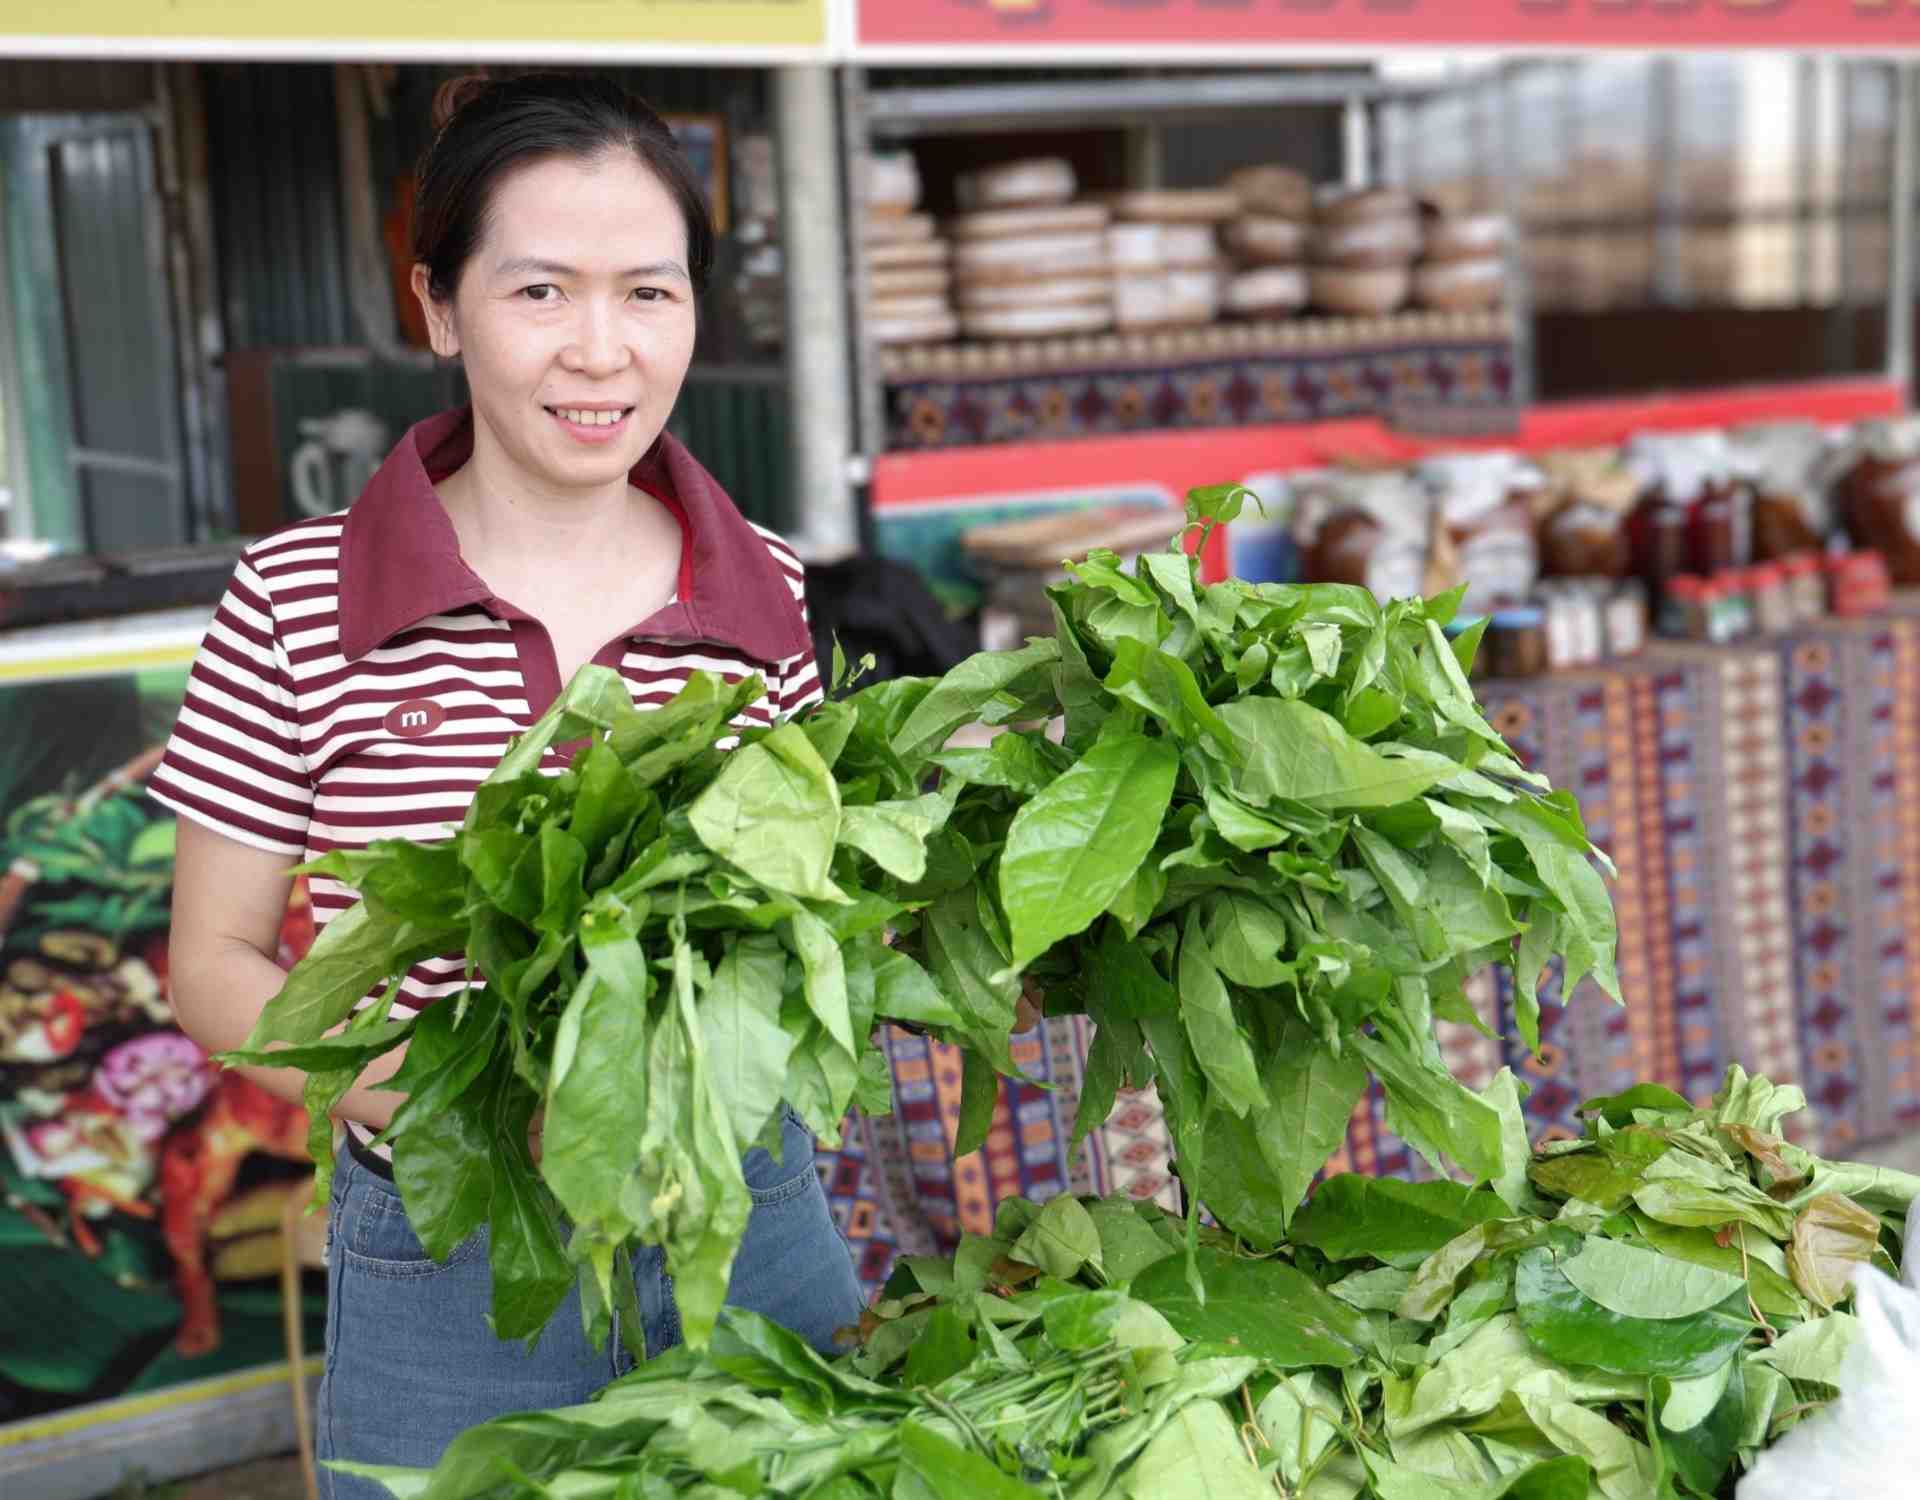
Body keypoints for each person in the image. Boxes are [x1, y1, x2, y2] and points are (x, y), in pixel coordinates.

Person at [152, 73, 965, 1496]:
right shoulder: (294, 600)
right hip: (453, 1241)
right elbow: (212, 964)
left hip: (745, 1212)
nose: (602, 352)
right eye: (541, 292)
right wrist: (456, 1106)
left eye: (649, 294)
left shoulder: (764, 582)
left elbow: (792, 926)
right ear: (441, 307)